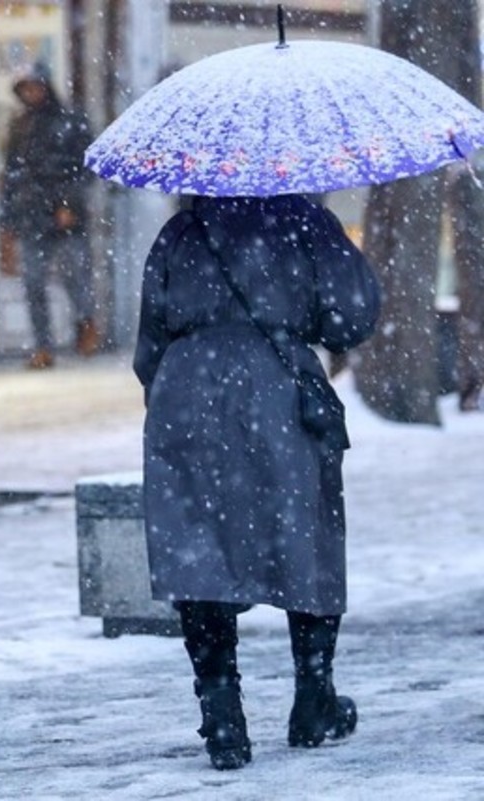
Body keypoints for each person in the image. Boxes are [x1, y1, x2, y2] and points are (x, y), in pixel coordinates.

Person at [133, 194, 381, 771]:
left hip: (186, 392)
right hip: (279, 390)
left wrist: (178, 386)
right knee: (306, 537)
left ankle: (222, 714)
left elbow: (149, 342)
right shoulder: (307, 222)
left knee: (199, 547)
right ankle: (313, 697)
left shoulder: (182, 232)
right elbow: (350, 319)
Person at [0, 62, 96, 369]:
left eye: (35, 86)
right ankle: (43, 345)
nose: (31, 94)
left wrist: (68, 203)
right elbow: (13, 175)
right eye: (26, 88)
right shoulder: (20, 127)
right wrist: (8, 221)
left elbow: (83, 168)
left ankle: (85, 323)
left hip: (65, 215)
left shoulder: (69, 121)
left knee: (75, 276)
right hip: (32, 215)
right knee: (34, 282)